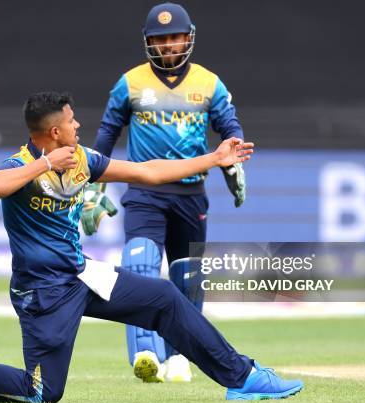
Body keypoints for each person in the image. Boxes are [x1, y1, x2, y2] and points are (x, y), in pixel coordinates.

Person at [0, 92, 302, 403]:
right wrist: (44, 166)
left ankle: (243, 377)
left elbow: (147, 172)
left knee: (164, 297)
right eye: (71, 121)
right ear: (54, 133)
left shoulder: (82, 160)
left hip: (81, 274)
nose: (78, 124)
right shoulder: (19, 164)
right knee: (42, 392)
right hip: (43, 292)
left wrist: (213, 158)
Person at [80, 2, 246, 382]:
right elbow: (106, 135)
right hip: (143, 192)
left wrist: (234, 160)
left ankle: (180, 356)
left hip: (191, 195)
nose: (168, 45)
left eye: (174, 38)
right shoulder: (130, 83)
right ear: (148, 42)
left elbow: (229, 128)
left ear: (188, 38)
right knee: (139, 263)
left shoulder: (209, 83)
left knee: (187, 277)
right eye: (160, 39)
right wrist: (92, 186)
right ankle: (144, 353)